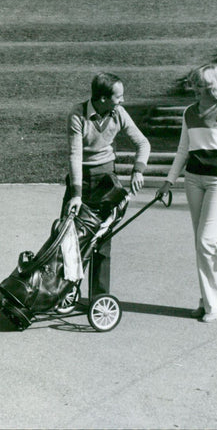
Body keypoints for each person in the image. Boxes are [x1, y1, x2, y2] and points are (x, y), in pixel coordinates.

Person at [157, 64, 217, 323]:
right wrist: (169, 181)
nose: (194, 89)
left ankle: (215, 304)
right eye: (193, 84)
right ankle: (207, 299)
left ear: (211, 86)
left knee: (207, 241)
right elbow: (182, 149)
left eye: (198, 84)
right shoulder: (189, 113)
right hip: (194, 180)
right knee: (201, 241)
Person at [62, 72, 151, 296]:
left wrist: (138, 170)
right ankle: (64, 290)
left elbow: (143, 143)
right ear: (103, 98)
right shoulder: (77, 114)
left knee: (102, 239)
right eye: (118, 96)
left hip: (107, 181)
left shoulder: (118, 113)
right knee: (70, 236)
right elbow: (75, 155)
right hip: (81, 180)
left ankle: (98, 296)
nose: (122, 100)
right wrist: (76, 194)